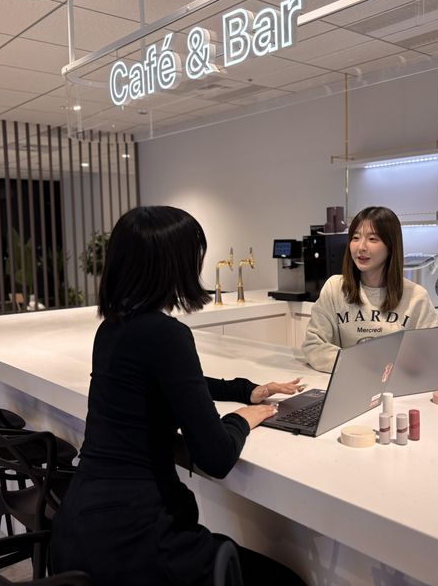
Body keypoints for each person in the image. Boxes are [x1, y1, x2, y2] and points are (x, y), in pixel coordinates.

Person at [50, 206, 305, 586]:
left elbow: (173, 382)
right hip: (136, 542)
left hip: (80, 530)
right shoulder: (166, 334)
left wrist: (246, 391)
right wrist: (242, 419)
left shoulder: (114, 328)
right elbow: (215, 456)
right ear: (174, 265)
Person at [302, 206, 438, 372]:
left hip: (396, 386)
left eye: (372, 239)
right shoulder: (335, 288)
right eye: (355, 237)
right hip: (347, 382)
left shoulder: (416, 297)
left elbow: (433, 354)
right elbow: (313, 345)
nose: (361, 247)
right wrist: (361, 364)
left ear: (391, 245)